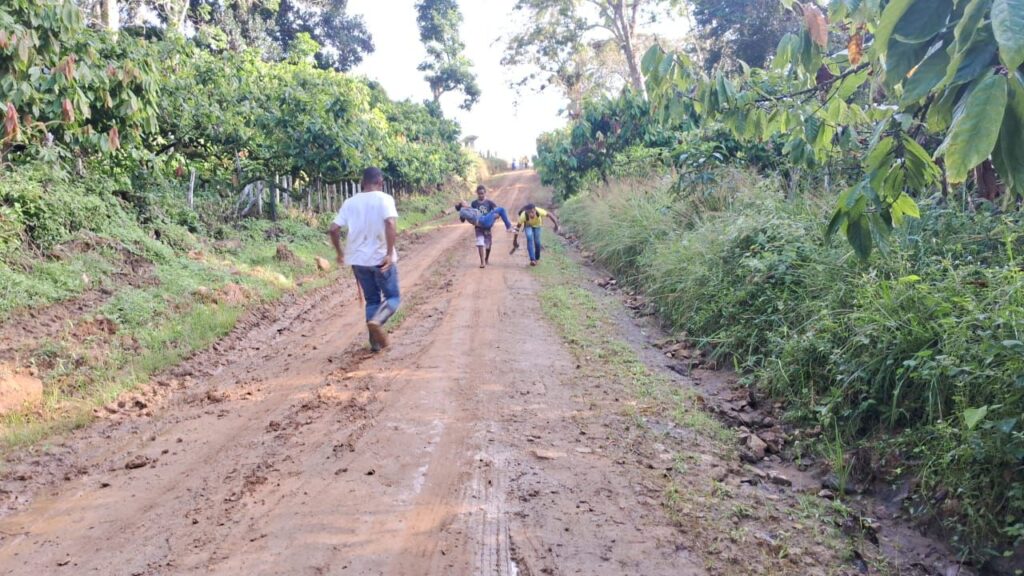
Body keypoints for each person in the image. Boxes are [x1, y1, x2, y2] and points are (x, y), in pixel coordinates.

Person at [328, 167, 400, 352]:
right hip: (380, 258)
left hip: (358, 260)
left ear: (362, 182)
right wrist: (389, 253)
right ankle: (377, 321)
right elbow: (390, 223)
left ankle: (375, 344)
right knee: (393, 297)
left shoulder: (350, 202)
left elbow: (333, 229)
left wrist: (340, 253)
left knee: (372, 300)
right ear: (380, 182)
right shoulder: (385, 199)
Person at [460, 185, 512, 267]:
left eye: (482, 193)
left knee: (488, 245)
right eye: (479, 193)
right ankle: (482, 262)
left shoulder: (489, 203)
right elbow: (468, 215)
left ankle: (486, 259)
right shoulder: (474, 203)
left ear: (485, 193)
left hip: (487, 227)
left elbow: (497, 214)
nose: (481, 195)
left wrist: (494, 218)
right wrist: (463, 216)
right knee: (480, 242)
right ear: (477, 193)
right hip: (478, 227)